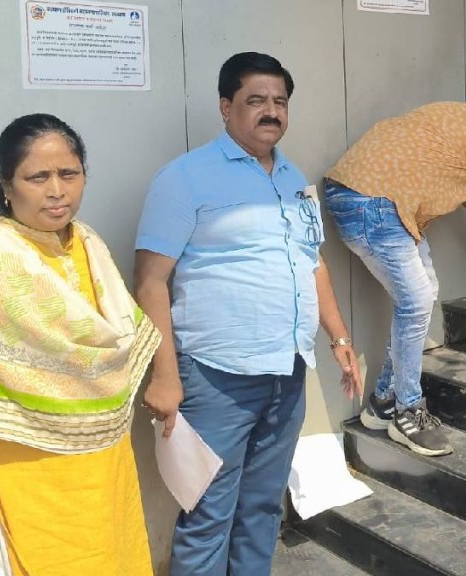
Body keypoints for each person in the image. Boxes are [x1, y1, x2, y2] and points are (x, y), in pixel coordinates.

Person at [134, 52, 361, 574]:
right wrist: (165, 375)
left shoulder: (293, 178)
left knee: (262, 508)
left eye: (280, 101)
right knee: (208, 513)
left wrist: (340, 338)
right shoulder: (185, 177)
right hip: (218, 376)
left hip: (287, 371)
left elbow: (313, 263)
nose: (271, 111)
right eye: (256, 100)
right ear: (225, 107)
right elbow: (149, 281)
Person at [0, 113, 160, 575]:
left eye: (68, 174)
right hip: (5, 469)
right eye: (38, 177)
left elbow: (119, 339)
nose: (57, 190)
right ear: (7, 186)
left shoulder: (90, 246)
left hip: (95, 469)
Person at [323, 94, 466, 457]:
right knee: (416, 302)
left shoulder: (458, 123)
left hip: (368, 200)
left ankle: (383, 402)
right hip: (377, 206)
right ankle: (408, 412)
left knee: (424, 294)